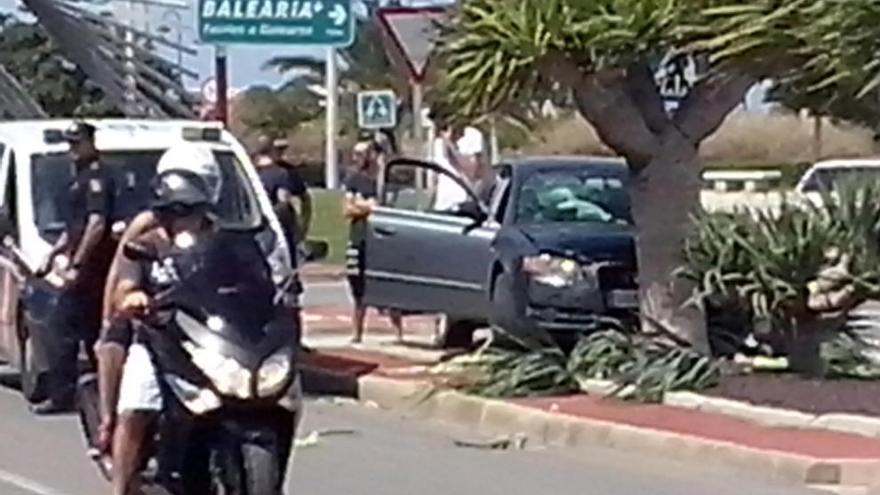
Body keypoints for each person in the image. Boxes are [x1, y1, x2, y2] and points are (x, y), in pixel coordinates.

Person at [33, 121, 115, 415]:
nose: (72, 149)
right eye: (69, 144)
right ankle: (100, 395)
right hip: (83, 266)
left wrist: (78, 263)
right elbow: (74, 226)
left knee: (60, 329)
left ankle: (63, 396)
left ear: (91, 142)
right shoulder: (78, 177)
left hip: (92, 270)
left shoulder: (97, 178)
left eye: (77, 143)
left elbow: (96, 224)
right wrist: (53, 253)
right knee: (90, 332)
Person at [343, 141, 403, 343]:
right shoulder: (354, 179)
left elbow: (389, 209)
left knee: (390, 283)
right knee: (357, 285)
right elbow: (347, 209)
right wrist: (368, 206)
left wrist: (364, 205)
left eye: (363, 153)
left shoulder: (386, 181)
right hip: (359, 236)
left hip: (384, 237)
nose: (357, 158)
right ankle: (357, 332)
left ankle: (398, 332)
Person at [253, 134, 313, 258]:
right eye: (278, 150)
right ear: (272, 151)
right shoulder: (281, 174)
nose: (281, 153)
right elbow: (284, 203)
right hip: (276, 231)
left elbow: (304, 200)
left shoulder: (244, 170)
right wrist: (299, 230)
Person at [430, 120, 469, 212]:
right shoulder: (442, 143)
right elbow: (453, 156)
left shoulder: (436, 143)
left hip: (442, 173)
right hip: (448, 178)